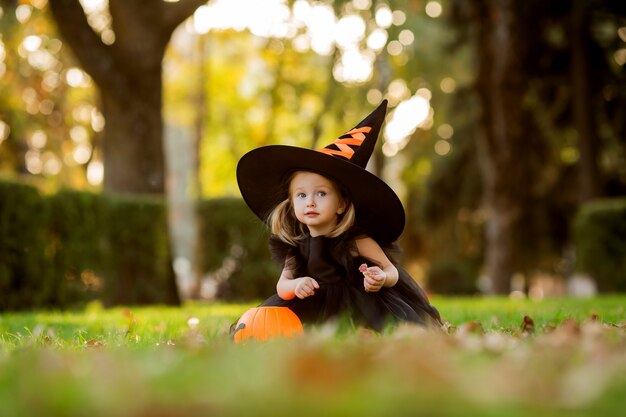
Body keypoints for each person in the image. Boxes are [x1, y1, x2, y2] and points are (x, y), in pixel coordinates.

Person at [236, 100, 442, 331]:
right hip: (310, 307)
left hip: (359, 305)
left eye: (321, 193)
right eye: (301, 195)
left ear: (341, 204)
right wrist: (296, 285)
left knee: (370, 329)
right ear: (292, 204)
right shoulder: (296, 247)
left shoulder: (357, 241)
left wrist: (380, 278)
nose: (310, 202)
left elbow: (391, 270)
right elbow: (282, 285)